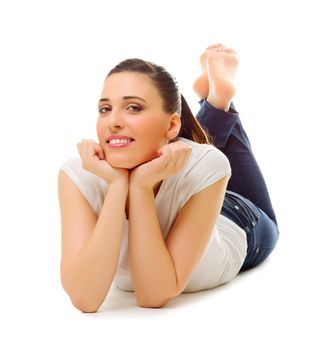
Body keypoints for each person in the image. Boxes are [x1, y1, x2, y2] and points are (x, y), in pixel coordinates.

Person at [58, 43, 279, 313]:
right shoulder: (79, 174)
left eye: (133, 108)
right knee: (181, 151)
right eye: (105, 109)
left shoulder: (207, 163)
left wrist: (140, 187)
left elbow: (154, 295)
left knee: (210, 166)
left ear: (174, 124)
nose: (112, 121)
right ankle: (215, 102)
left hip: (236, 220)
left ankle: (221, 104)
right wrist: (118, 186)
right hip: (188, 191)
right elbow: (85, 299)